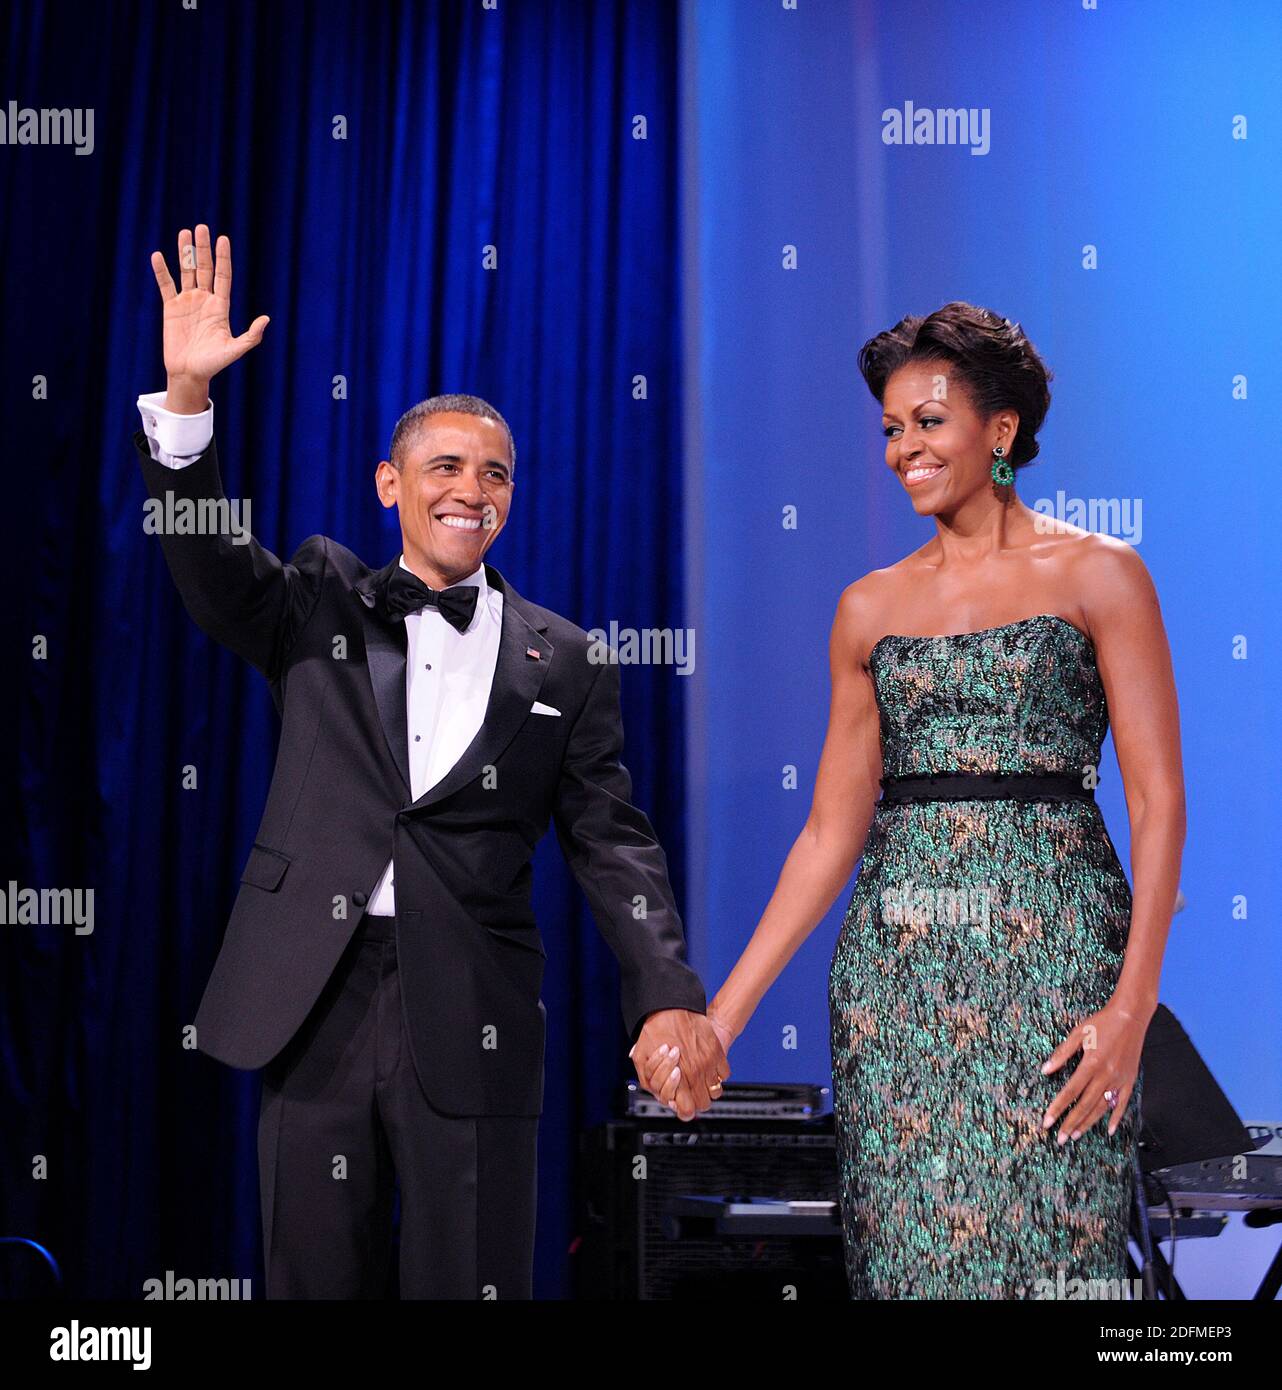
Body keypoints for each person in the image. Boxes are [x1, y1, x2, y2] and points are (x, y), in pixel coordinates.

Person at [134, 224, 729, 1299]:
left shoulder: (569, 658)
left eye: (494, 472)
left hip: (475, 1005)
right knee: (312, 1278)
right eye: (444, 465)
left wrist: (667, 995)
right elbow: (210, 566)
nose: (471, 487)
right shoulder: (317, 596)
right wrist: (186, 402)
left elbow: (610, 840)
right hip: (311, 996)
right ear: (388, 484)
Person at [643, 302, 1185, 1298]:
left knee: (1058, 1258)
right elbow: (825, 832)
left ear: (1001, 429)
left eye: (927, 422)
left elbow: (1157, 803)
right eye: (890, 429)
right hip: (894, 986)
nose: (903, 449)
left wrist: (1130, 1005)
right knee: (912, 1261)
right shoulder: (868, 606)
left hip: (1055, 967)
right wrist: (722, 1018)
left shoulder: (1101, 574)